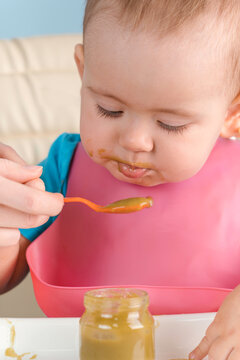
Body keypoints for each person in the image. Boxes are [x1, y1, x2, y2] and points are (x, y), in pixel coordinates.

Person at [1, 0, 240, 358]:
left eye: (169, 124)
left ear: (231, 113)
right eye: (109, 109)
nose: (134, 141)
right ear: (83, 73)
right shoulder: (61, 170)